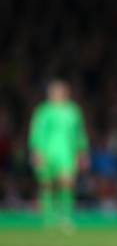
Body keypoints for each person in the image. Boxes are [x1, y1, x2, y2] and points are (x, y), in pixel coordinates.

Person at [29, 79, 89, 229]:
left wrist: (83, 152)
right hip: (47, 152)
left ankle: (66, 217)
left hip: (67, 153)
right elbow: (37, 132)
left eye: (61, 91)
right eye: (55, 91)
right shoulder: (43, 111)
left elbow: (79, 133)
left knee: (67, 183)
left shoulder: (73, 111)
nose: (58, 94)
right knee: (47, 185)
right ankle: (48, 218)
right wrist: (36, 152)